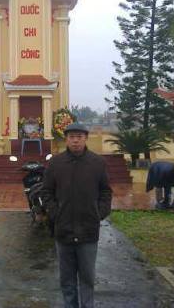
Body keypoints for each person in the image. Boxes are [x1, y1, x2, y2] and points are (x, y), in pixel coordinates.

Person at [41, 122, 112, 308]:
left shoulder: (97, 163)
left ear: (85, 138)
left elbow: (106, 191)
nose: (75, 140)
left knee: (87, 277)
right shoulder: (56, 163)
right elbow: (46, 192)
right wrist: (55, 213)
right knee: (67, 279)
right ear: (66, 139)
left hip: (88, 231)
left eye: (79, 137)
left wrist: (99, 213)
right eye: (72, 137)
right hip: (63, 231)